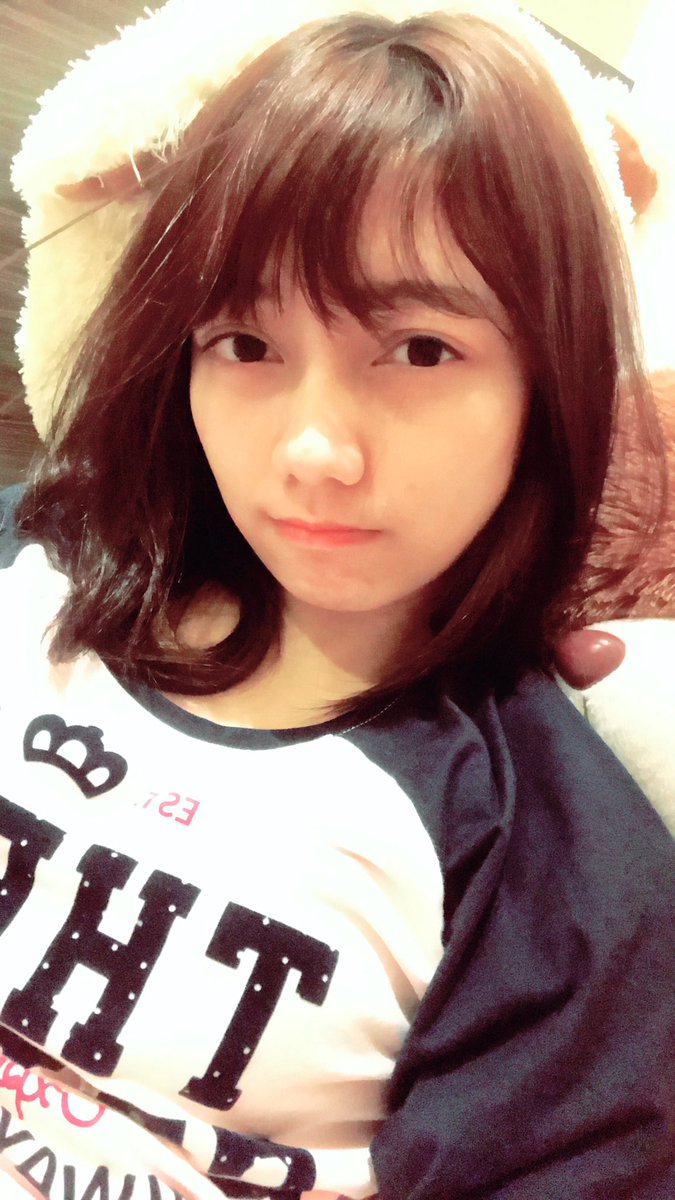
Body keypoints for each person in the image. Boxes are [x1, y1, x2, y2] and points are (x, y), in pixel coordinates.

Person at [1, 2, 673, 1197]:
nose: (314, 451)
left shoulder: (557, 881)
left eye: (419, 350)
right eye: (245, 344)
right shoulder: (29, 563)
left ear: (546, 380)